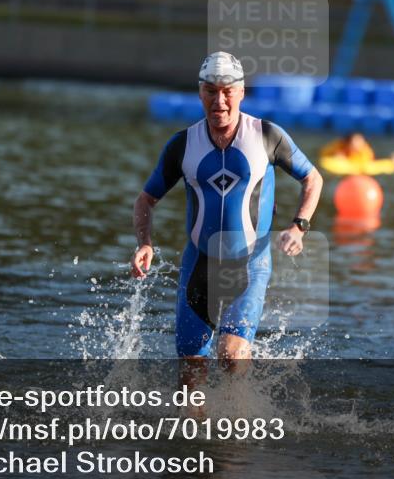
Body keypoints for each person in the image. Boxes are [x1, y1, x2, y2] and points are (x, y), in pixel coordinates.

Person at [131, 51, 323, 376]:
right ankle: (199, 425)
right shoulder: (182, 145)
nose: (219, 101)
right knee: (192, 373)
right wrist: (145, 243)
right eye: (210, 91)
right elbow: (145, 200)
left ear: (241, 92)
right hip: (199, 263)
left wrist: (299, 226)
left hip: (250, 261)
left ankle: (241, 419)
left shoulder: (266, 136)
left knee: (231, 355)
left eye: (227, 91)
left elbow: (312, 178)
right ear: (200, 92)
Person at [319, 132, 394, 176]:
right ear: (348, 143)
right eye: (355, 143)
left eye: (360, 142)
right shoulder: (338, 146)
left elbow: (365, 167)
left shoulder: (365, 151)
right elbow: (324, 156)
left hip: (361, 165)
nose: (357, 145)